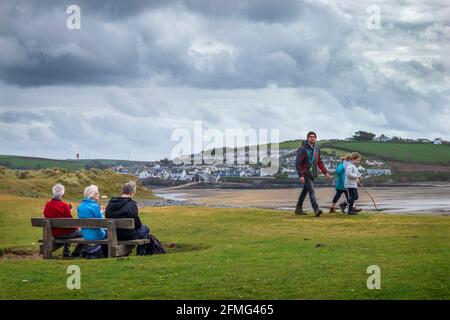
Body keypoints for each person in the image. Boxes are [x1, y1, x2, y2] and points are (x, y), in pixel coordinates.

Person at [105, 181, 151, 256]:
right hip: (128, 235)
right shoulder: (131, 204)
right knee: (145, 228)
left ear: (123, 191)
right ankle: (140, 253)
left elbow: (107, 216)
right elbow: (138, 225)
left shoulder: (111, 203)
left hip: (112, 234)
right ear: (132, 192)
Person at [295, 131, 331, 217]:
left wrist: (325, 172)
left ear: (316, 139)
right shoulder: (302, 149)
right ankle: (316, 209)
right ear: (307, 138)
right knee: (311, 191)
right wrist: (301, 175)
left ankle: (298, 208)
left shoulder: (317, 149)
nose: (312, 138)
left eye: (314, 137)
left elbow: (319, 162)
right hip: (305, 174)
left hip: (312, 174)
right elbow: (297, 163)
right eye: (310, 136)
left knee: (305, 192)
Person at [43, 183, 84, 257]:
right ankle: (76, 253)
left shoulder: (47, 205)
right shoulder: (64, 206)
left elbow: (55, 210)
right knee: (86, 233)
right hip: (66, 234)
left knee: (66, 229)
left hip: (55, 234)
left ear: (52, 193)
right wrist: (78, 228)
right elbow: (70, 223)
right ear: (63, 194)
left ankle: (66, 252)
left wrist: (68, 207)